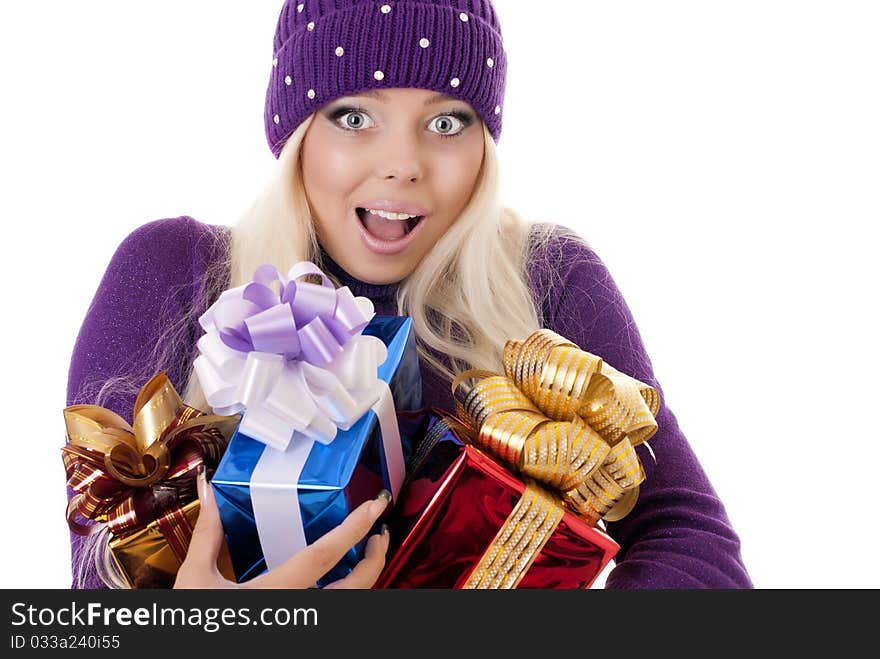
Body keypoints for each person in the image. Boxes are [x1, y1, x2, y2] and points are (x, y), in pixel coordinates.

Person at [65, 0, 753, 589]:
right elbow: (92, 591)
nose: (402, 164)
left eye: (447, 121)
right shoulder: (173, 274)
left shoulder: (547, 279)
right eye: (354, 116)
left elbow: (692, 540)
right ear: (296, 132)